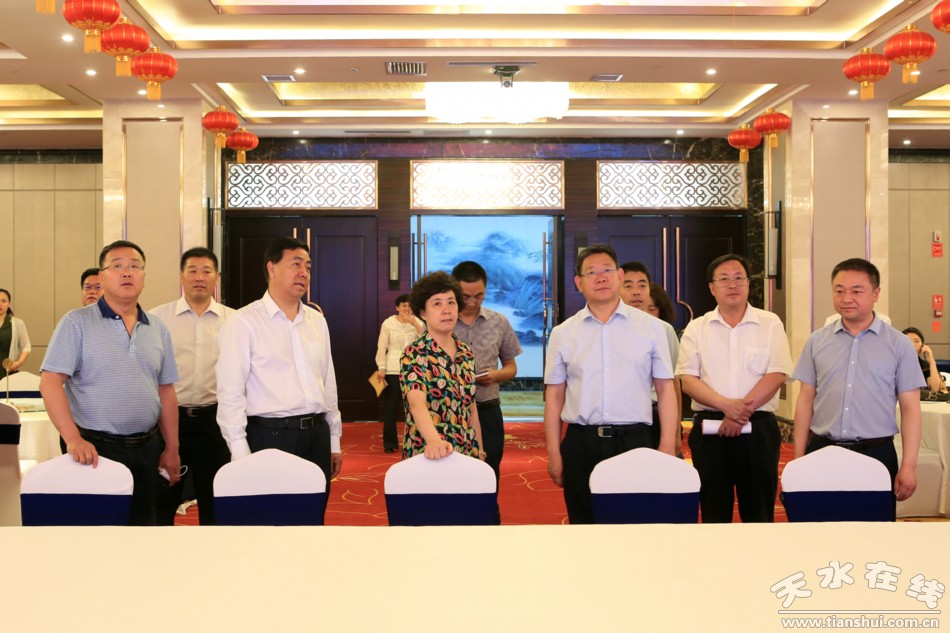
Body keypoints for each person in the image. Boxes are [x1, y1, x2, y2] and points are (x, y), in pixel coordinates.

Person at [39, 240, 180, 526]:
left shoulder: (157, 328)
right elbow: (50, 383)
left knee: (144, 528)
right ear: (102, 277)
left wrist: (172, 447)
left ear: (144, 276)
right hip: (94, 449)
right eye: (117, 266)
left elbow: (165, 390)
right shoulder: (76, 322)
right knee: (95, 531)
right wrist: (73, 438)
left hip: (148, 448)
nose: (127, 272)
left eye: (135, 266)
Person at [544, 245, 677, 524]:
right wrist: (554, 452)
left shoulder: (652, 328)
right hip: (581, 443)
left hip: (635, 441)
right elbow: (554, 396)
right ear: (579, 282)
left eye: (607, 270)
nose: (601, 277)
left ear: (619, 275)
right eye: (591, 273)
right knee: (584, 524)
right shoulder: (563, 333)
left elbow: (666, 390)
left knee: (634, 525)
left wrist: (666, 444)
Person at [792, 258, 923, 515]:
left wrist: (909, 466)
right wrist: (798, 458)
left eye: (856, 291)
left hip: (876, 454)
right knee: (816, 528)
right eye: (839, 291)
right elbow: (805, 401)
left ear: (876, 294)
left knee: (872, 532)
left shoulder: (899, 345)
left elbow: (911, 409)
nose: (847, 298)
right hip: (822, 450)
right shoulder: (816, 341)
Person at [216, 237, 343, 496]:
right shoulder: (243, 322)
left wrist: (333, 440)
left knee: (313, 514)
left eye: (308, 267)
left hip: (316, 435)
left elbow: (328, 383)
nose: (303, 273)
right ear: (271, 268)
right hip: (270, 436)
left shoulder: (317, 321)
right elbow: (230, 391)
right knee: (271, 515)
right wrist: (239, 451)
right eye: (295, 264)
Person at [676, 254, 793, 523]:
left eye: (739, 278)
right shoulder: (697, 328)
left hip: (759, 430)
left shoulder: (770, 323)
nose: (732, 285)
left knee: (759, 512)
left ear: (748, 285)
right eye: (724, 279)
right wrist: (727, 407)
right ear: (712, 287)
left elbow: (777, 373)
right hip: (710, 431)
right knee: (714, 511)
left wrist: (739, 413)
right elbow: (688, 380)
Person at [150, 247, 235, 525]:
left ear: (216, 277)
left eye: (206, 271)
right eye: (192, 271)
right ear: (181, 276)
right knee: (164, 500)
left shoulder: (235, 321)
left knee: (216, 500)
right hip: (169, 421)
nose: (199, 277)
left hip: (215, 422)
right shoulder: (157, 319)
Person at [401, 271, 485, 461]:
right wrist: (434, 442)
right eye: (437, 303)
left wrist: (479, 450)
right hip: (429, 453)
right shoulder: (414, 353)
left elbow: (471, 407)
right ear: (423, 312)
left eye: (451, 302)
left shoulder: (466, 352)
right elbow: (416, 403)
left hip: (465, 451)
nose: (446, 310)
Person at [450, 260, 522, 481]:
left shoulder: (498, 322)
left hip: (488, 409)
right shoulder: (442, 321)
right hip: (451, 411)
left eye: (479, 296)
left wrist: (496, 375)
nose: (472, 302)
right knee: (451, 472)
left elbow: (511, 367)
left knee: (489, 470)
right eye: (465, 297)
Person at [619, 261, 682, 453]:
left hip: (655, 413)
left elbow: (674, 383)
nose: (636, 292)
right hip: (617, 417)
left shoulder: (664, 330)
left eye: (642, 285)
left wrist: (676, 432)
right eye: (628, 286)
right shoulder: (603, 329)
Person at [375, 293, 423, 453]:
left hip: (413, 369)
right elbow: (382, 346)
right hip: (392, 369)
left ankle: (417, 440)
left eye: (409, 306)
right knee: (391, 408)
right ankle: (390, 443)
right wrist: (381, 367)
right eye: (403, 305)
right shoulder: (388, 323)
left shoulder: (418, 322)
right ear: (397, 307)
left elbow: (426, 340)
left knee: (416, 406)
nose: (406, 308)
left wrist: (414, 322)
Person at [902, 327, 947, 394]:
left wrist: (932, 362)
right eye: (907, 341)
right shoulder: (894, 364)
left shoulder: (925, 366)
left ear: (922, 346)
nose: (912, 345)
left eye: (916, 341)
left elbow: (935, 389)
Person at [0, 288, 30, 378]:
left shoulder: (17, 323)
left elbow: (26, 347)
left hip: (7, 372)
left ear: (9, 304)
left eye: (4, 301)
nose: (0, 304)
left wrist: (18, 363)